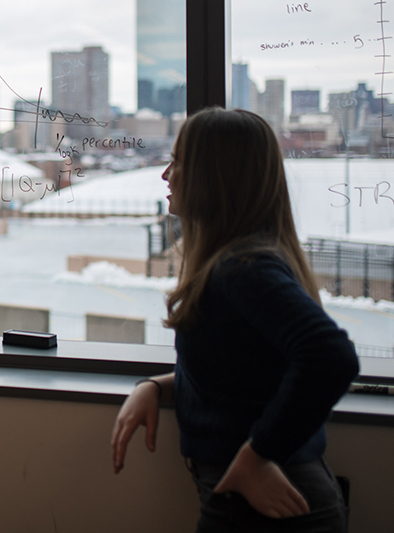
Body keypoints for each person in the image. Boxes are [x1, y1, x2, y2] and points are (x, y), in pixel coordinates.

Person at [110, 108, 359, 531]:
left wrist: (255, 456)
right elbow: (242, 376)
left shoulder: (243, 267)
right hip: (268, 500)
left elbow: (331, 357)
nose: (166, 175)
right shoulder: (238, 262)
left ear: (216, 176)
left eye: (180, 161)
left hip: (265, 507)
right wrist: (156, 386)